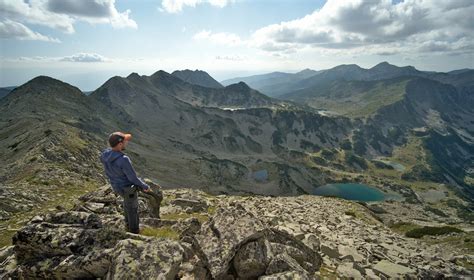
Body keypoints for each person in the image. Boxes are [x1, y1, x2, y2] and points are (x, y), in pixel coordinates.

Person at [100, 131, 151, 234]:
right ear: (120, 144)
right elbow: (133, 178)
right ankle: (134, 231)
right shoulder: (123, 159)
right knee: (132, 208)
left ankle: (127, 225)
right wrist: (144, 186)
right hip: (128, 188)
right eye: (125, 141)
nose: (127, 143)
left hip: (116, 186)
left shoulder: (104, 155)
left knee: (127, 205)